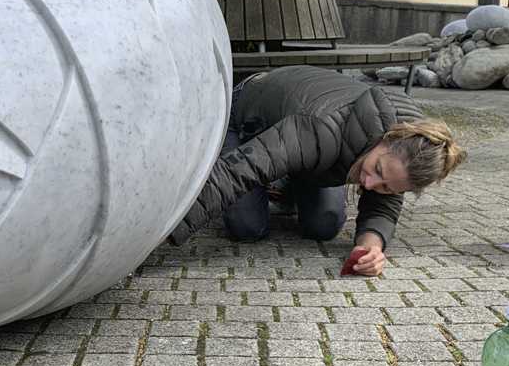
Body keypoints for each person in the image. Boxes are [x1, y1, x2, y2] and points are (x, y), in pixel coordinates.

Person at [170, 66, 467, 276]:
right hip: (243, 115)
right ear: (386, 138)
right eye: (376, 169)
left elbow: (384, 203)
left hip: (305, 149)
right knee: (248, 226)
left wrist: (371, 247)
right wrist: (156, 236)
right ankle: (276, 176)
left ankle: (283, 179)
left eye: (387, 186)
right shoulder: (320, 128)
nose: (369, 182)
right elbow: (234, 175)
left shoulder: (403, 148)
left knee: (324, 225)